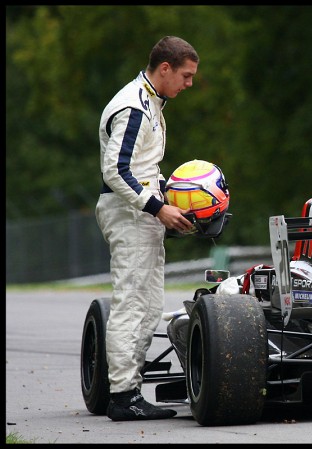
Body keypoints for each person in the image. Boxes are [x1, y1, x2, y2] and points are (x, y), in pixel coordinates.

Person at [95, 36, 199, 421]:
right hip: (129, 215)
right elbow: (115, 171)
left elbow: (139, 168)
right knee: (131, 303)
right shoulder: (135, 107)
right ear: (165, 68)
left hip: (141, 214)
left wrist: (178, 198)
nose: (189, 84)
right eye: (186, 76)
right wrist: (159, 208)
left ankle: (129, 390)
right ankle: (122, 397)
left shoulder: (153, 102)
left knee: (150, 305)